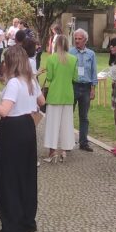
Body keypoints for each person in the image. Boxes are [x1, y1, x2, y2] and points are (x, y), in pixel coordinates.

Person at [0, 46, 43, 232]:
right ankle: (27, 221)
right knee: (26, 175)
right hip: (28, 126)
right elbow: (42, 101)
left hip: (13, 128)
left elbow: (4, 111)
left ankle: (13, 228)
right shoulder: (30, 80)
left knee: (9, 177)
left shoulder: (14, 83)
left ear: (11, 62)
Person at [42, 34, 77, 162]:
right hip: (68, 95)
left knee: (52, 124)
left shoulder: (51, 59)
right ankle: (64, 150)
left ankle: (52, 152)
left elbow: (49, 77)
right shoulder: (73, 59)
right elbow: (75, 77)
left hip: (54, 95)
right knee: (67, 124)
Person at [70, 28, 97, 152]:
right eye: (75, 38)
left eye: (79, 39)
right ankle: (68, 142)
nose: (77, 41)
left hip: (86, 88)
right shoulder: (70, 52)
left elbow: (93, 72)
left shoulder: (91, 54)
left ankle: (83, 142)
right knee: (69, 115)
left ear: (85, 40)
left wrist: (93, 89)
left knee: (84, 117)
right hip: (73, 86)